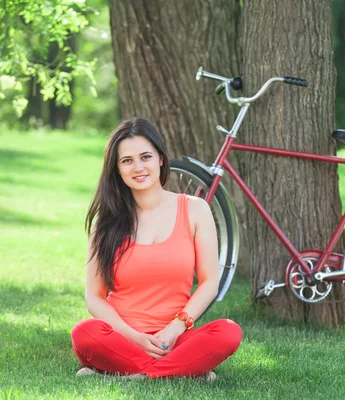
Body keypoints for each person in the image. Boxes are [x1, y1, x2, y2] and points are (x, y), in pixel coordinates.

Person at [71, 117, 242, 380]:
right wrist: (136, 338)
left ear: (161, 159)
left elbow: (209, 283)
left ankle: (132, 373)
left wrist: (175, 329)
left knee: (228, 332)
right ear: (117, 169)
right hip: (122, 337)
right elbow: (94, 297)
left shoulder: (195, 209)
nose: (138, 167)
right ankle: (184, 370)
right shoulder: (105, 222)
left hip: (175, 338)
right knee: (84, 333)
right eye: (127, 161)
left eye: (145, 157)